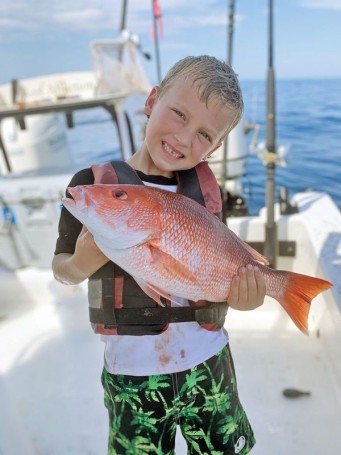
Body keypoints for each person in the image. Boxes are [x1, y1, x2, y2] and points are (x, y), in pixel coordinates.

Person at [52, 55, 266, 454]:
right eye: (178, 114)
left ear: (217, 147)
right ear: (151, 101)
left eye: (204, 135)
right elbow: (62, 270)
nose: (185, 139)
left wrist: (246, 295)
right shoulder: (93, 188)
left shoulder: (204, 192)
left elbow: (218, 265)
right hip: (132, 374)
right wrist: (83, 261)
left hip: (210, 362)